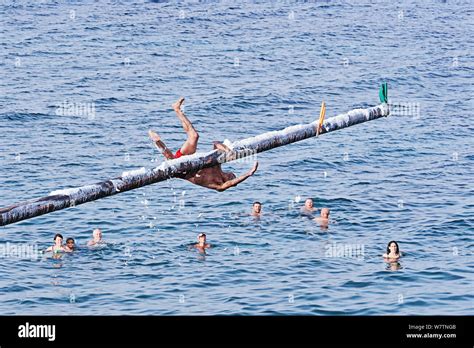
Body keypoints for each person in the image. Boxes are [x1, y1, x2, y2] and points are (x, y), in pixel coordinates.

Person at [148, 97, 258, 191]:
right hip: (190, 160)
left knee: (172, 160)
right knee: (194, 136)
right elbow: (216, 144)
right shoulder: (217, 166)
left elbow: (231, 184)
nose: (232, 174)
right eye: (233, 175)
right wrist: (229, 151)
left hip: (185, 171)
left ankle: (158, 142)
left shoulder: (219, 184)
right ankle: (177, 109)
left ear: (229, 180)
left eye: (233, 177)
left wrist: (249, 174)